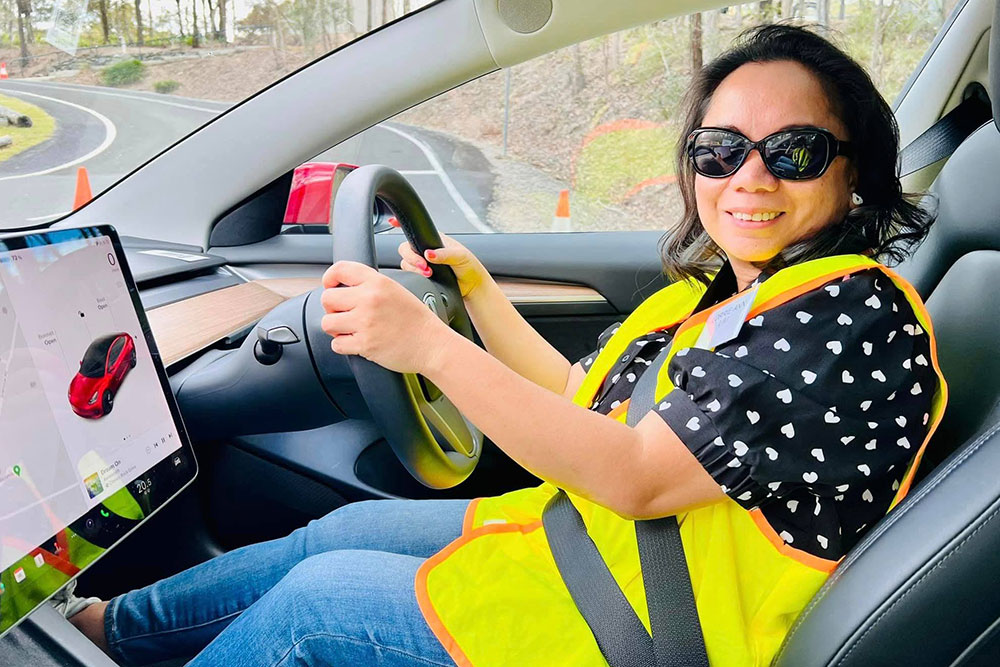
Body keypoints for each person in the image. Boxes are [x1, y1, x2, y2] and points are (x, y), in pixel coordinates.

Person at [70, 23, 946, 666]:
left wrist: (430, 347)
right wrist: (479, 300)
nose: (747, 177)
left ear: (854, 168)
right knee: (337, 532)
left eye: (792, 152)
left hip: (652, 624)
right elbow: (588, 403)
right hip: (597, 552)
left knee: (315, 605)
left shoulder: (849, 321)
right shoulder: (745, 292)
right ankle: (102, 632)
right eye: (719, 150)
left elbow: (636, 476)